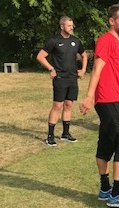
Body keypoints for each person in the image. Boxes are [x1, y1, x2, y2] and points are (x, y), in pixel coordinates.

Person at [79, 4, 119, 208]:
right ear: (112, 21)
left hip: (112, 100)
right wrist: (89, 96)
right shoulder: (107, 40)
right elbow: (97, 69)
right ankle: (116, 193)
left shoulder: (117, 43)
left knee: (107, 143)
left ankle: (105, 188)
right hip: (108, 100)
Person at [36, 15, 88, 147]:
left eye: (72, 25)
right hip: (60, 78)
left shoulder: (75, 41)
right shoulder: (54, 41)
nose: (71, 27)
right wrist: (51, 68)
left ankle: (65, 133)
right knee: (57, 106)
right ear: (62, 26)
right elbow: (40, 56)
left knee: (68, 105)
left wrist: (83, 70)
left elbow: (84, 55)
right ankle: (50, 136)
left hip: (72, 78)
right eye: (69, 25)